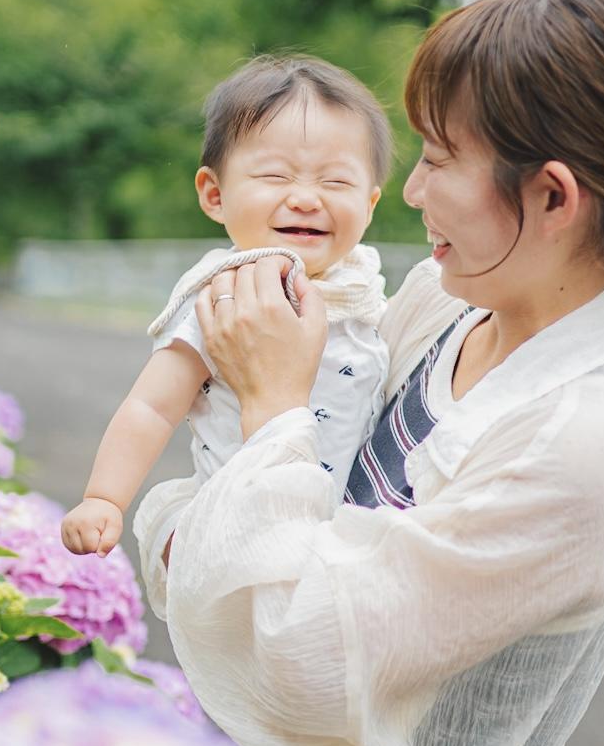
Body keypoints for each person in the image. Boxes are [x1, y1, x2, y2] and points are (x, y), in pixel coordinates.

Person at [134, 0, 604, 746]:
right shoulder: (447, 302)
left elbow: (297, 663)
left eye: (436, 158)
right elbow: (272, 527)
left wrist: (267, 412)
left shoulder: (583, 442)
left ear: (552, 195)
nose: (414, 191)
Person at [61, 55, 392, 558]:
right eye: (276, 176)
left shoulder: (368, 295)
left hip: (343, 540)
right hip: (242, 532)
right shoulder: (222, 297)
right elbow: (150, 407)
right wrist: (104, 498)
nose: (306, 198)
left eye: (335, 182)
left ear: (369, 205)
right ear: (215, 195)